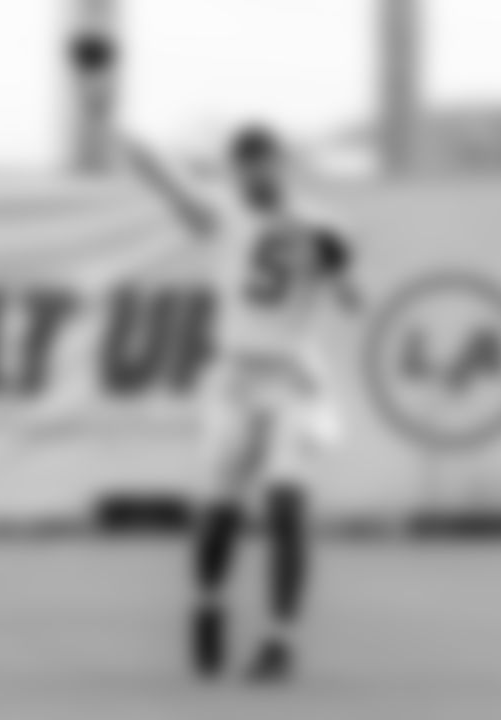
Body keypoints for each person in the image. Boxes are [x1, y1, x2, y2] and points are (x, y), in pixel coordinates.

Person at [124, 125, 362, 682]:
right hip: (235, 376)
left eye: (266, 163)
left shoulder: (319, 225)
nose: (258, 175)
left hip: (294, 377)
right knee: (220, 510)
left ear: (284, 164)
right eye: (247, 166)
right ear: (236, 171)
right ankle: (208, 603)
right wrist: (121, 129)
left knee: (286, 499)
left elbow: (354, 300)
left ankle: (281, 638)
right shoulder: (225, 215)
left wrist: (337, 268)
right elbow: (167, 181)